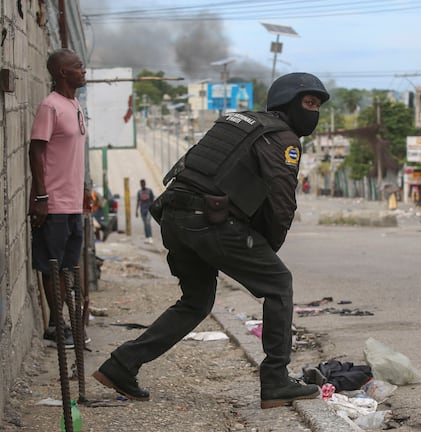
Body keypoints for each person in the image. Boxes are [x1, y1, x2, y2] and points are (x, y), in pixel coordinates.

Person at [93, 72, 330, 409]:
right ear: (287, 103)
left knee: (197, 301)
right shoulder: (283, 138)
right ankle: (276, 380)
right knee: (278, 284)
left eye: (318, 105)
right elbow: (281, 202)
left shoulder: (238, 122)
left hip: (175, 216)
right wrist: (267, 251)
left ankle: (121, 365)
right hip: (210, 221)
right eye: (309, 103)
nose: (314, 111)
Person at [28, 48, 88, 349]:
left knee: (66, 266)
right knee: (51, 265)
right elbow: (36, 150)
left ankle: (64, 321)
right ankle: (56, 323)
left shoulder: (73, 104)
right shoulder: (50, 106)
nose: (83, 70)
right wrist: (41, 196)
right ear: (63, 72)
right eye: (78, 66)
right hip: (52, 203)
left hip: (73, 202)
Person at [135, 179, 155, 243]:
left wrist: (153, 208)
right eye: (141, 184)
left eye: (143, 184)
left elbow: (152, 200)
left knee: (148, 222)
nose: (142, 185)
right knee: (145, 224)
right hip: (142, 210)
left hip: (149, 210)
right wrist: (136, 211)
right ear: (140, 185)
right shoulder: (139, 192)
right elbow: (138, 201)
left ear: (145, 184)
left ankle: (150, 237)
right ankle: (147, 237)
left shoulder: (149, 191)